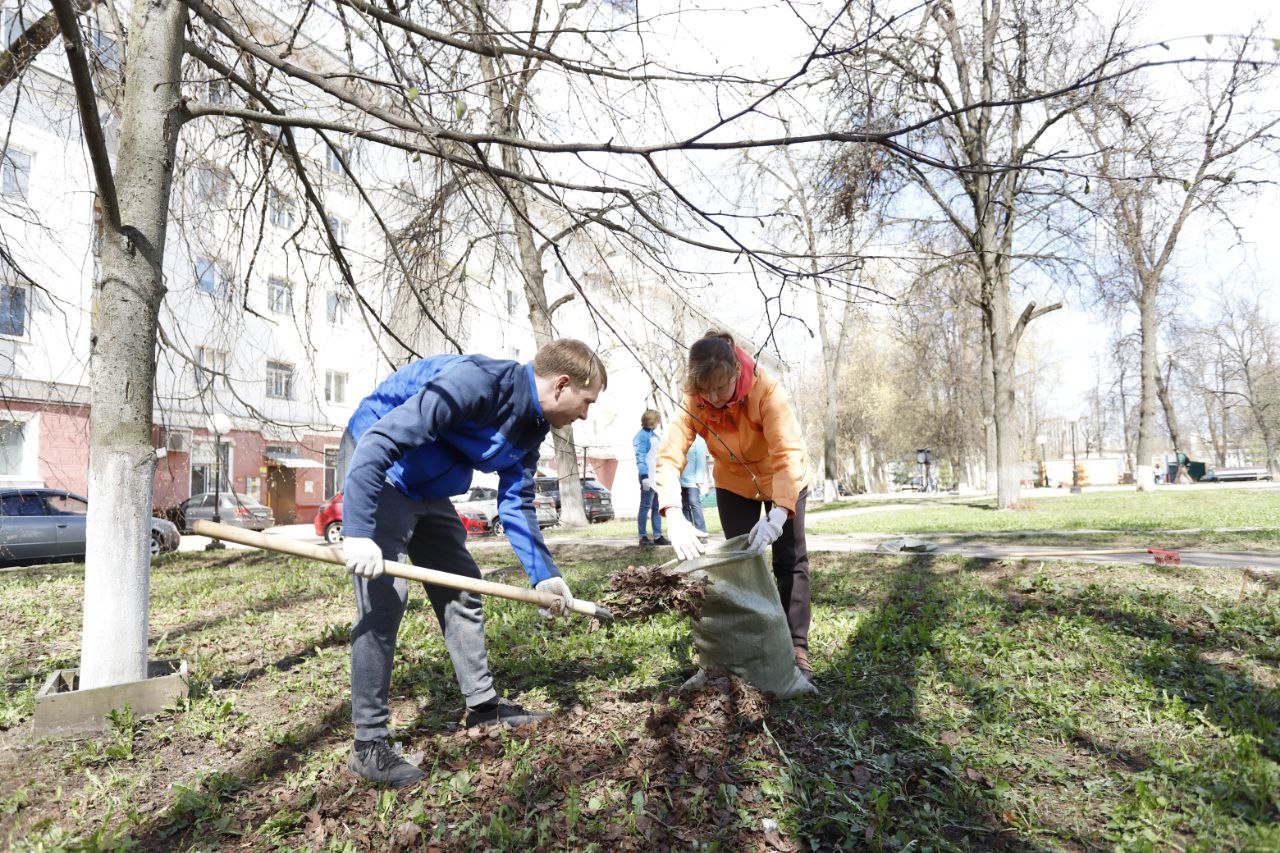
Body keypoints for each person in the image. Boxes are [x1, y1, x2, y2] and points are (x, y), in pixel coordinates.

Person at [339, 339, 606, 786]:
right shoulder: (476, 384)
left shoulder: (531, 424)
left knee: (463, 585)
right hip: (379, 466)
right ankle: (368, 744)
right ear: (562, 385)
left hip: (426, 481)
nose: (585, 414)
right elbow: (379, 441)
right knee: (385, 598)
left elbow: (516, 502)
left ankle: (483, 710)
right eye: (586, 402)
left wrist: (546, 576)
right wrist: (359, 532)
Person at [653, 331, 813, 679]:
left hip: (783, 478)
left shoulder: (766, 391)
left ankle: (796, 644)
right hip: (734, 483)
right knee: (741, 561)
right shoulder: (695, 398)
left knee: (790, 558)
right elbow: (669, 454)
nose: (711, 398)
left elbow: (787, 455)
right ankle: (750, 640)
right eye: (704, 391)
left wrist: (779, 512)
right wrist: (673, 512)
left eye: (719, 389)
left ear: (735, 374)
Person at [632, 409, 669, 548]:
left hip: (657, 476)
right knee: (645, 506)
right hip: (647, 477)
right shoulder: (640, 437)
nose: (659, 423)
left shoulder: (655, 436)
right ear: (653, 421)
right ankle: (642, 536)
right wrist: (644, 477)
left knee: (656, 507)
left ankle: (658, 536)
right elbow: (640, 458)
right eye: (658, 420)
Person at [679, 434, 710, 536]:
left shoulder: (699, 440)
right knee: (684, 506)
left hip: (693, 480)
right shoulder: (681, 438)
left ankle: (702, 532)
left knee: (694, 504)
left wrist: (700, 479)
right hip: (680, 478)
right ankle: (688, 532)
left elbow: (701, 460)